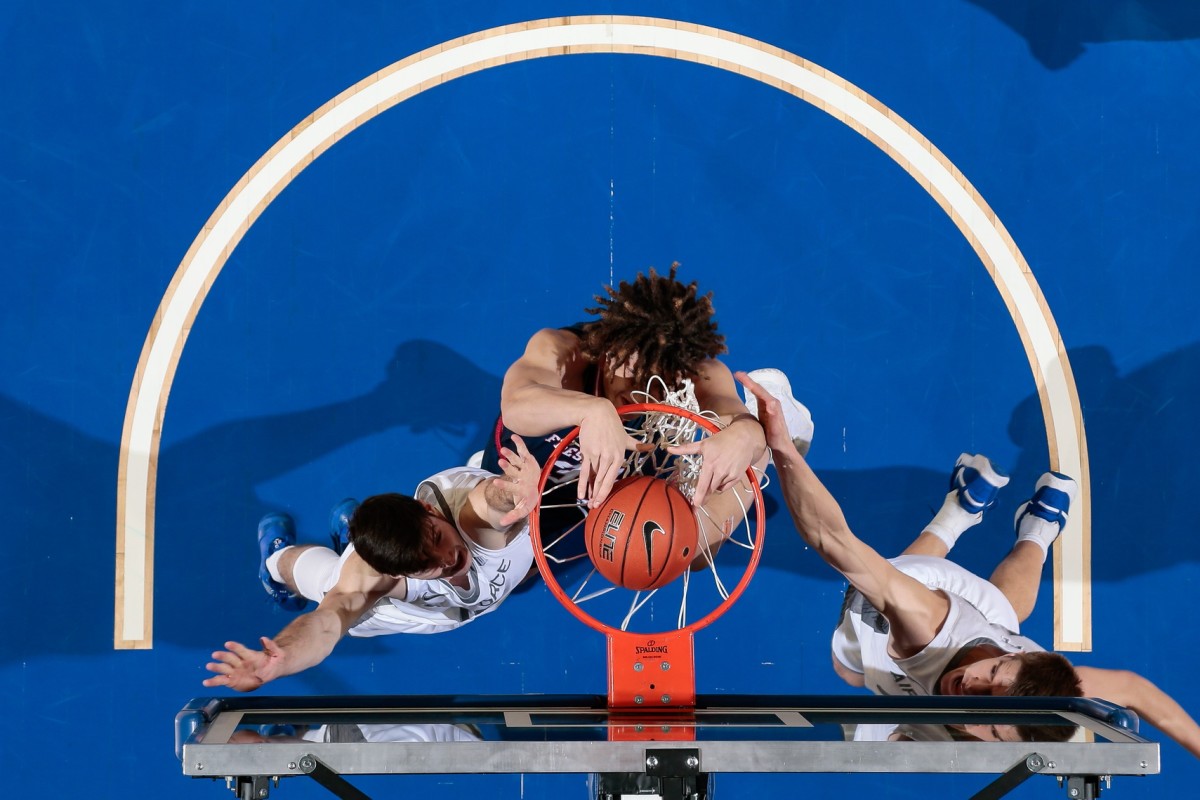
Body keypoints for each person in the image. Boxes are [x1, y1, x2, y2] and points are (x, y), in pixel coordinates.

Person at [738, 370, 1200, 758]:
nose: (972, 689)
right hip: (920, 591)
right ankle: (955, 514)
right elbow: (831, 538)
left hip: (986, 619)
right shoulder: (927, 625)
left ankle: (1038, 525)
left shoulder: (1044, 697)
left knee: (1005, 612)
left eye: (995, 725)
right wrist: (782, 445)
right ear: (1018, 657)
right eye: (994, 677)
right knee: (850, 671)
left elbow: (1137, 692)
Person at [480, 264, 811, 559]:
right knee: (507, 554)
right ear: (608, 346)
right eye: (631, 371)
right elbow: (516, 406)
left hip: (624, 471)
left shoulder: (696, 372)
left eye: (656, 381)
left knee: (688, 553)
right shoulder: (561, 350)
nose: (638, 390)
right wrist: (594, 411)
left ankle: (775, 424)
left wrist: (749, 433)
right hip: (532, 470)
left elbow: (734, 422)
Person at [202, 436, 539, 692]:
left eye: (437, 539)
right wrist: (282, 659)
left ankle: (354, 531)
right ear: (396, 572)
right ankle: (274, 562)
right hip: (411, 609)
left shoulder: (472, 516)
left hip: (470, 564)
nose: (448, 559)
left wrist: (515, 489)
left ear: (430, 512)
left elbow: (493, 501)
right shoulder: (372, 578)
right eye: (427, 564)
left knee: (517, 566)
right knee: (325, 584)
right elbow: (325, 624)